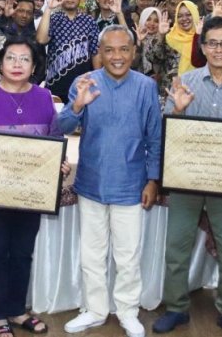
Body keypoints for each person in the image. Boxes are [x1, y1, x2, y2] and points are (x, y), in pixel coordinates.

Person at [153, 17, 222, 337]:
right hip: (187, 180)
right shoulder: (185, 81)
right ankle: (176, 308)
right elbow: (169, 129)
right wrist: (178, 110)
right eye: (212, 43)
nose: (218, 49)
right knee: (177, 246)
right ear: (202, 47)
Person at [0, 38, 69, 337]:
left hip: (31, 192)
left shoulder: (44, 97)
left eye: (24, 59)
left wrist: (59, 162)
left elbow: (54, 139)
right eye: (11, 58)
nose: (17, 65)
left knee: (22, 252)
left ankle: (17, 310)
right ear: (0, 64)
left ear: (34, 66)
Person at [58, 25, 162, 337]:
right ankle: (95, 310)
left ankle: (128, 312)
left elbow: (155, 138)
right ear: (100, 54)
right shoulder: (85, 82)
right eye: (109, 50)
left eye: (123, 50)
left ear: (133, 52)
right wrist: (78, 104)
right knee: (92, 253)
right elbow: (61, 123)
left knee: (127, 256)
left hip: (131, 184)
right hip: (91, 181)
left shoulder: (145, 87)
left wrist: (153, 179)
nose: (117, 56)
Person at [36, 0, 100, 102]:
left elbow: (95, 53)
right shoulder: (53, 18)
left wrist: (98, 80)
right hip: (56, 85)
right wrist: (48, 9)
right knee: (57, 120)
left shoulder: (89, 21)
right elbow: (41, 39)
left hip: (82, 86)